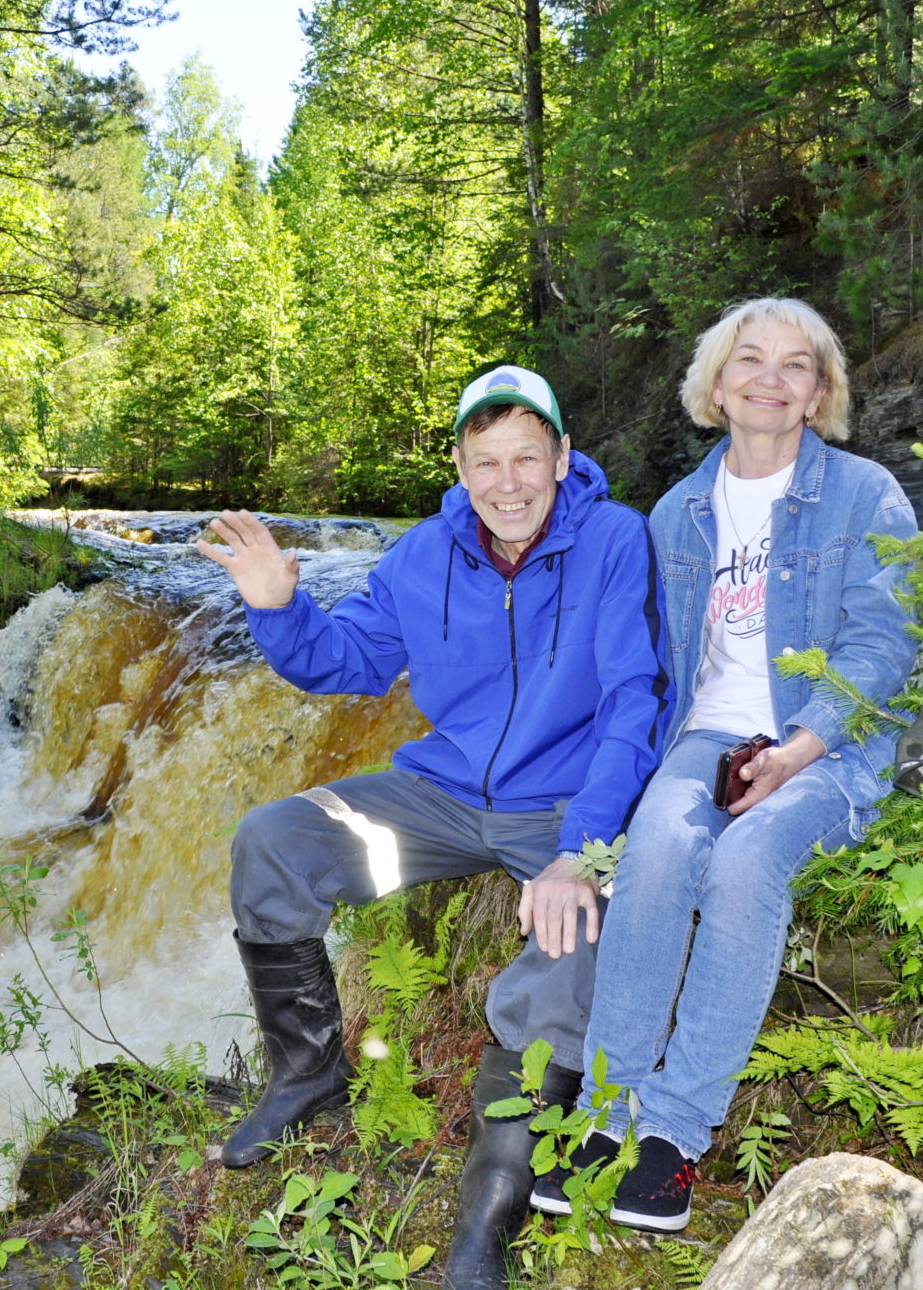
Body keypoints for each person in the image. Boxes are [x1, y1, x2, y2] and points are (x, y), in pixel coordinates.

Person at [195, 365, 669, 1290]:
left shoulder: (615, 539)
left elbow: (630, 702)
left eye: (527, 458)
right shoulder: (422, 555)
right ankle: (307, 1073)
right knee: (275, 839)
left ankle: (489, 1210)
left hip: (563, 808)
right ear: (459, 465)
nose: (507, 483)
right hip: (445, 797)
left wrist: (585, 847)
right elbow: (346, 662)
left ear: (563, 458)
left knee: (567, 949)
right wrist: (276, 607)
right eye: (485, 462)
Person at [531, 297, 918, 1232]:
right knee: (660, 847)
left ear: (820, 394)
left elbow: (885, 644)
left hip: (827, 742)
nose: (770, 380)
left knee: (747, 861)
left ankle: (673, 1133)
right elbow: (664, 664)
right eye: (751, 360)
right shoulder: (679, 511)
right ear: (716, 383)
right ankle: (603, 1110)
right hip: (704, 741)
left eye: (797, 366)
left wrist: (799, 752)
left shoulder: (867, 494)